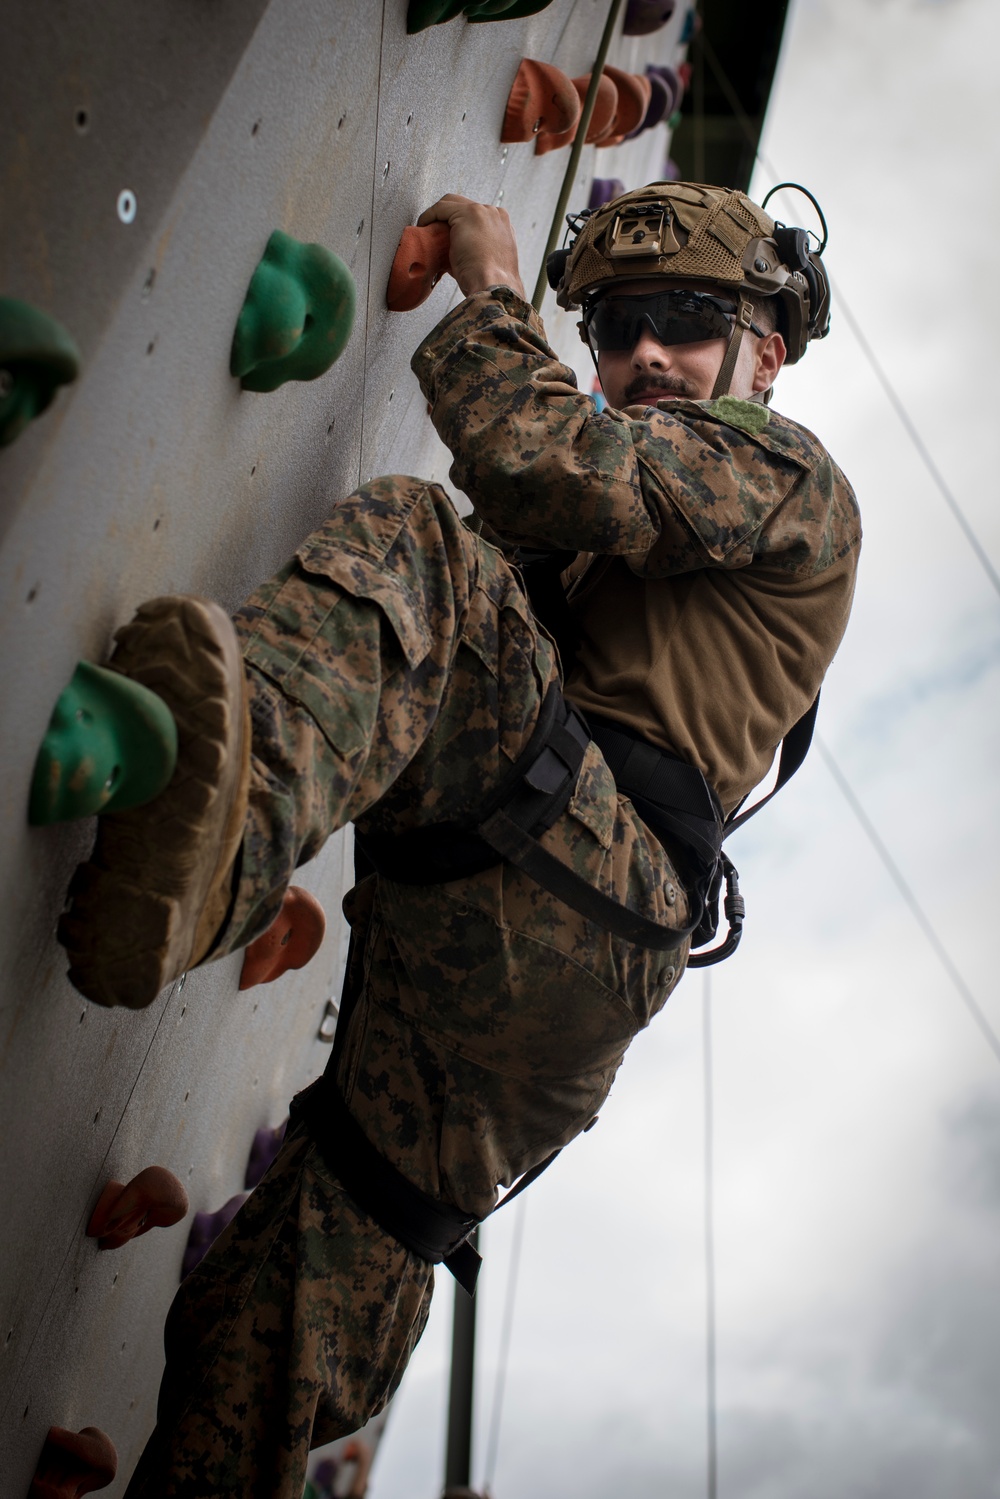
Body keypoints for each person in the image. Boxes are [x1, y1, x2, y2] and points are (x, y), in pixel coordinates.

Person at [57, 182, 860, 1497]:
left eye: (688, 321)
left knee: (420, 544)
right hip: (550, 968)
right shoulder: (616, 540)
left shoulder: (782, 473)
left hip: (573, 864)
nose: (645, 352)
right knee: (288, 1292)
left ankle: (209, 851)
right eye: (617, 325)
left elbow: (544, 466)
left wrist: (494, 286)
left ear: (766, 352)